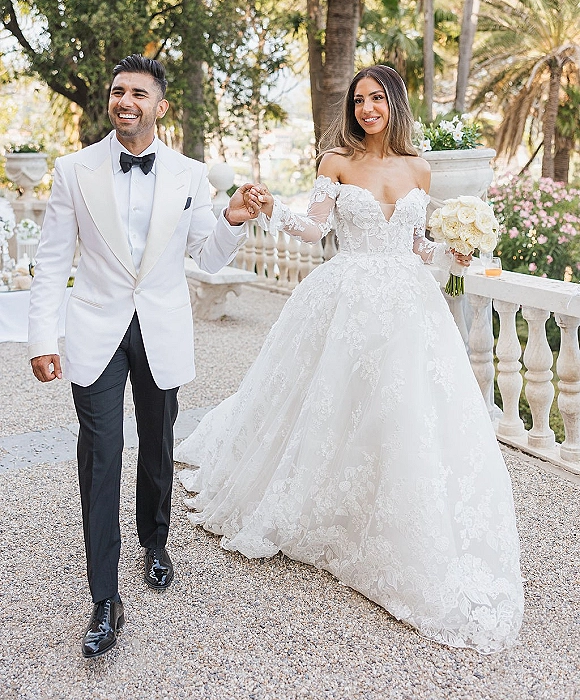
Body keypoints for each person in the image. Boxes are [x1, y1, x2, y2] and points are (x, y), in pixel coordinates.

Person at [175, 65, 524, 654]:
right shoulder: (336, 161)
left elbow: (419, 245)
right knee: (335, 400)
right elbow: (315, 231)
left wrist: (456, 249)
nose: (367, 108)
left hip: (411, 305)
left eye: (377, 98)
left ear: (395, 103)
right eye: (359, 100)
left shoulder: (420, 168)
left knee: (404, 409)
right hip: (346, 299)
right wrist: (268, 210)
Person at [28, 54, 260, 659]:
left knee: (157, 443)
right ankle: (104, 597)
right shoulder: (73, 170)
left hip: (160, 328)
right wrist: (43, 339)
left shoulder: (189, 174)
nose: (124, 100)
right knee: (100, 454)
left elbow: (207, 257)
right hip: (94, 330)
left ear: (160, 106)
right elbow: (53, 261)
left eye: (137, 93)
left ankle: (155, 541)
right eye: (117, 91)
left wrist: (233, 219)